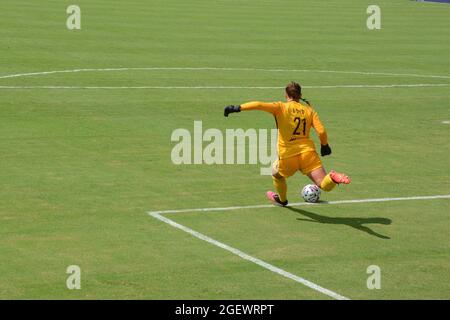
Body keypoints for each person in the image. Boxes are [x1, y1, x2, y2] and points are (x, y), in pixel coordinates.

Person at [224, 81, 350, 206]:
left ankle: (282, 200)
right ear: (300, 95)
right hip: (308, 154)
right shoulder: (309, 111)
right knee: (324, 184)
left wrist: (237, 108)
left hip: (288, 156)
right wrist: (324, 145)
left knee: (276, 175)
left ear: (286, 95)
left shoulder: (281, 107)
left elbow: (259, 104)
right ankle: (333, 177)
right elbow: (321, 131)